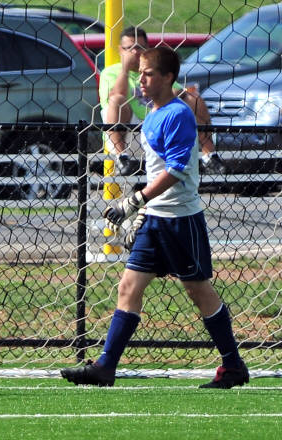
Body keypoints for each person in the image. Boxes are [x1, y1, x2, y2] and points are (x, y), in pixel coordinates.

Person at [62, 46, 248, 388]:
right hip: (155, 216)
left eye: (148, 74)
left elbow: (177, 170)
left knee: (198, 291)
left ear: (167, 77)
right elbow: (153, 166)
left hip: (179, 219)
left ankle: (233, 365)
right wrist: (145, 210)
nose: (142, 80)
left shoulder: (178, 114)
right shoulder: (153, 113)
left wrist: (136, 201)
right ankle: (105, 367)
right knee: (128, 287)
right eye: (141, 74)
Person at [99, 26, 226, 176]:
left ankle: (210, 156)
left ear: (147, 49)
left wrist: (181, 95)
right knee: (116, 100)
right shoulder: (111, 72)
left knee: (193, 99)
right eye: (130, 48)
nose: (135, 52)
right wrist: (125, 69)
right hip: (129, 132)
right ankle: (122, 159)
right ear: (121, 50)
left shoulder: (154, 70)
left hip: (158, 124)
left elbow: (176, 90)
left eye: (140, 47)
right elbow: (117, 94)